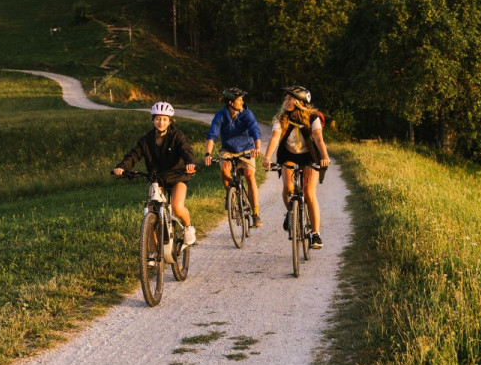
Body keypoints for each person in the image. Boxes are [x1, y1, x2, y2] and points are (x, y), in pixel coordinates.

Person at [113, 102, 197, 245]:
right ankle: (153, 254)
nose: (161, 122)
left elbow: (186, 150)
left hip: (177, 177)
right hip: (157, 179)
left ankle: (188, 227)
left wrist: (190, 162)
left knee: (177, 207)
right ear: (152, 119)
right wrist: (121, 167)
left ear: (170, 121)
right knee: (150, 211)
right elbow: (133, 155)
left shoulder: (177, 136)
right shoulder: (146, 140)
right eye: (158, 118)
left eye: (165, 119)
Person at [262, 86, 330, 248]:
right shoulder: (281, 118)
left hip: (309, 156)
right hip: (289, 155)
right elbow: (275, 138)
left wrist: (325, 157)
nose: (286, 101)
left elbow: (318, 138)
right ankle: (291, 212)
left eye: (290, 98)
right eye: (286, 98)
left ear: (300, 102)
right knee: (288, 187)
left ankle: (315, 234)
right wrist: (266, 157)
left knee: (309, 192)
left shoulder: (313, 117)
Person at [204, 87, 263, 227]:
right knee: (224, 169)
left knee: (249, 175)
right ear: (231, 102)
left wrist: (258, 147)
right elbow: (212, 135)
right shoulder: (221, 115)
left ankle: (255, 214)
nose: (242, 102)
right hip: (228, 150)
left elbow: (255, 131)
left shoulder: (247, 114)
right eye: (239, 99)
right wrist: (208, 153)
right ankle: (230, 194)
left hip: (247, 149)